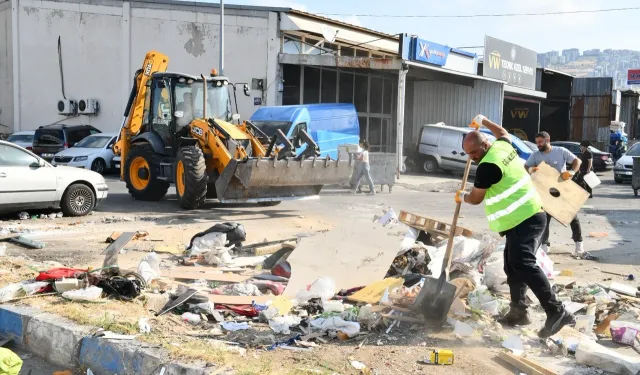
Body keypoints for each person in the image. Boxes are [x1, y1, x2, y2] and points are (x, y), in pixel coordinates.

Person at [456, 115, 574, 339]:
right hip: (522, 218)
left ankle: (557, 311)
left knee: (523, 262)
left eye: (473, 153)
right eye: (468, 155)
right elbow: (502, 132)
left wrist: (462, 196)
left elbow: (476, 198)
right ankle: (519, 311)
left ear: (485, 144)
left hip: (526, 219)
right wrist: (484, 121)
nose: (471, 158)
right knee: (512, 265)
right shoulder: (501, 145)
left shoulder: (488, 166)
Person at [525, 132, 593, 260]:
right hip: (545, 192)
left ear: (548, 140)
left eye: (540, 142)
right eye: (537, 142)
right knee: (545, 219)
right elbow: (526, 166)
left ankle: (579, 244)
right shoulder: (535, 155)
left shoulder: (560, 151)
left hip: (562, 189)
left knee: (573, 217)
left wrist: (572, 171)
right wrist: (530, 170)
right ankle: (545, 245)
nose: (538, 144)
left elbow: (577, 161)